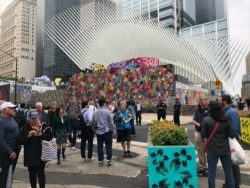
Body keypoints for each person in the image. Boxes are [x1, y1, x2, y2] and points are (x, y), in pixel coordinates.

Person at [201, 101, 235, 188]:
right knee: (229, 172)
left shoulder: (206, 120)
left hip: (211, 149)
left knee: (212, 172)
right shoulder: (226, 120)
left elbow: (203, 135)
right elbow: (232, 135)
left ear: (211, 110)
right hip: (225, 149)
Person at [17, 110, 53, 188]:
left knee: (41, 174)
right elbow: (19, 141)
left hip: (41, 154)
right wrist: (28, 136)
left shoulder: (44, 126)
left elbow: (50, 137)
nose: (34, 120)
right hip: (30, 155)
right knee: (32, 175)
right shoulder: (25, 128)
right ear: (29, 119)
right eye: (32, 119)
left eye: (36, 118)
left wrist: (41, 135)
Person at [219, 95, 241, 188]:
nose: (219, 102)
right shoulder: (225, 111)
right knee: (228, 163)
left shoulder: (231, 112)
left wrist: (230, 137)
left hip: (232, 140)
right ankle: (229, 183)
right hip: (227, 139)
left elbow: (235, 128)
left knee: (233, 163)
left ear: (224, 101)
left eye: (220, 100)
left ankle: (235, 184)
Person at [0, 102, 21, 188]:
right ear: (4, 109)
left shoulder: (12, 118)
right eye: (11, 108)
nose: (14, 110)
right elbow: (0, 139)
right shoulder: (1, 121)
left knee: (10, 173)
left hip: (15, 149)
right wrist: (10, 151)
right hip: (6, 152)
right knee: (5, 173)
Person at [94, 98, 115, 166]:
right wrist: (112, 130)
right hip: (107, 130)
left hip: (99, 131)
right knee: (108, 145)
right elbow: (111, 122)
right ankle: (109, 160)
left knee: (99, 146)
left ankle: (100, 160)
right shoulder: (107, 111)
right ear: (104, 103)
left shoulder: (96, 112)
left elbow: (93, 121)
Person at [192, 97, 209, 176]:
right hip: (199, 131)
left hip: (208, 133)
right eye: (202, 105)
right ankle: (203, 167)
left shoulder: (211, 110)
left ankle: (211, 167)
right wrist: (197, 123)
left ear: (207, 103)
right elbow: (193, 120)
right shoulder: (197, 110)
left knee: (209, 150)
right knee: (200, 150)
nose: (203, 107)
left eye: (205, 105)